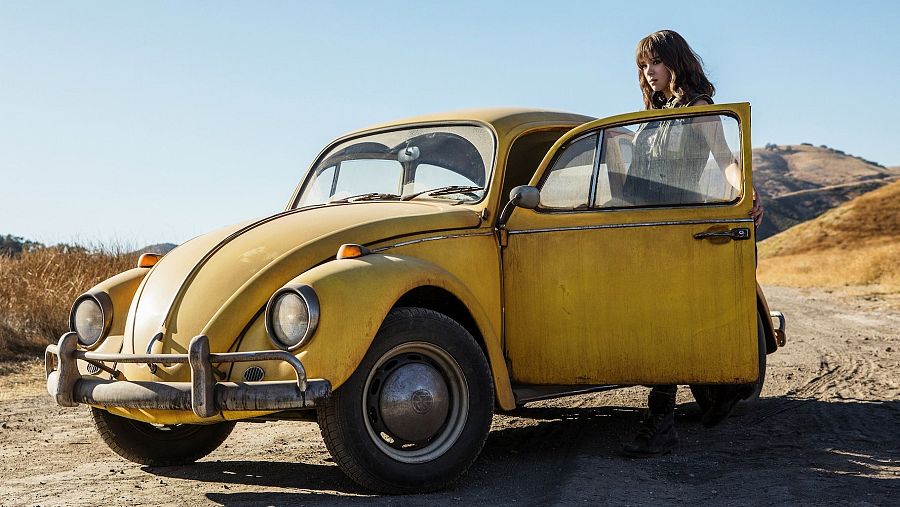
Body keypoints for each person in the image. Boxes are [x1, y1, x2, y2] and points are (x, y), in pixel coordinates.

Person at [621, 29, 764, 458]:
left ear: (676, 63)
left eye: (655, 63)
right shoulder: (657, 114)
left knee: (662, 322)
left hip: (679, 227)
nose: (648, 73)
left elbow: (724, 160)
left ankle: (662, 420)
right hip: (647, 229)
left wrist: (747, 193)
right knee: (658, 320)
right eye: (643, 66)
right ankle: (723, 390)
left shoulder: (698, 109)